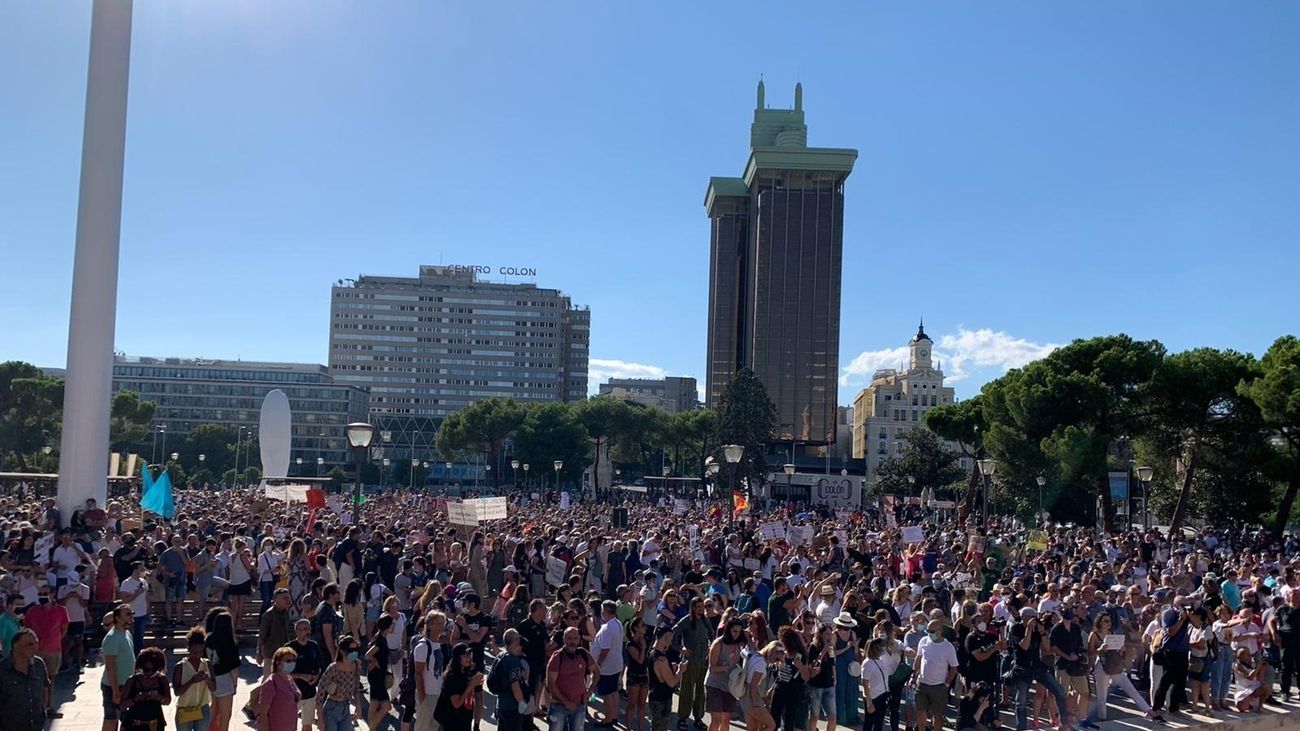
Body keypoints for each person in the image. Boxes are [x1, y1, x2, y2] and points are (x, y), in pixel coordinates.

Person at [0, 629, 52, 731]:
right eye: (30, 644)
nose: (35, 648)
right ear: (16, 646)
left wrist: (43, 711)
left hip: (36, 726)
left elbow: (44, 688)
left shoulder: (39, 664)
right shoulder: (3, 668)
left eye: (36, 643)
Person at [546, 627, 597, 731]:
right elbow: (550, 684)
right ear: (564, 639)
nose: (572, 641)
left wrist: (590, 690)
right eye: (569, 638)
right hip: (559, 706)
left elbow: (596, 672)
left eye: (575, 638)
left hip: (579, 705)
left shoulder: (583, 654)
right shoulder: (557, 658)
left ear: (579, 640)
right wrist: (566, 702)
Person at [911, 619, 958, 731]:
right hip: (922, 684)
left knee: (937, 715)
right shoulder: (923, 641)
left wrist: (947, 683)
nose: (930, 634)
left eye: (932, 631)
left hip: (939, 686)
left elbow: (954, 667)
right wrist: (913, 676)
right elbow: (918, 658)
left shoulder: (948, 647)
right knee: (920, 713)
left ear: (940, 630)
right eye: (928, 631)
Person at [674, 596, 712, 731]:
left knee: (700, 691)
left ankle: (698, 717)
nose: (700, 610)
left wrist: (710, 646)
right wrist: (681, 649)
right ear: (693, 607)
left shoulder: (705, 620)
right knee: (687, 690)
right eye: (698, 607)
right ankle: (683, 717)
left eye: (702, 607)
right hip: (690, 662)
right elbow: (673, 633)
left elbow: (712, 635)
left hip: (702, 661)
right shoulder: (686, 621)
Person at [706, 618, 747, 731]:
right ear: (728, 630)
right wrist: (727, 667)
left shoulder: (739, 644)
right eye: (734, 631)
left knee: (726, 718)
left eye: (739, 632)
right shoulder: (718, 643)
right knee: (717, 718)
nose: (736, 634)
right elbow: (712, 667)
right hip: (715, 684)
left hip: (730, 685)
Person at [24, 585, 69, 686]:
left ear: (52, 595)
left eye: (45, 594)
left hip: (54, 650)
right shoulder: (32, 611)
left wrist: (55, 640)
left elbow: (64, 629)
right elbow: (27, 628)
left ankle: (48, 701)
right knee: (35, 677)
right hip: (36, 650)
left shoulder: (61, 610)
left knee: (51, 679)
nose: (42, 596)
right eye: (40, 594)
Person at [172, 628, 216, 731]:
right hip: (184, 708)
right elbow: (177, 692)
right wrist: (192, 681)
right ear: (188, 649)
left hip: (203, 707)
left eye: (200, 652)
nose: (197, 655)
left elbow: (214, 688)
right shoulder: (180, 666)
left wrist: (207, 679)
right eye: (194, 652)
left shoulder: (207, 664)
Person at [590, 600, 624, 728]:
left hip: (607, 666)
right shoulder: (617, 623)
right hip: (615, 664)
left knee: (607, 694)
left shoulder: (608, 627)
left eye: (603, 610)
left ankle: (608, 719)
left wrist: (598, 663)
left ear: (606, 611)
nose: (601, 612)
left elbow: (605, 649)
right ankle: (614, 716)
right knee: (614, 691)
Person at [206, 610, 243, 731]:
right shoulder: (229, 641)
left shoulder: (208, 639)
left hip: (209, 678)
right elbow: (234, 667)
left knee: (211, 714)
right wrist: (235, 684)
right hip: (224, 679)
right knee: (225, 717)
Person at [102, 605, 137, 731]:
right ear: (118, 618)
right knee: (111, 720)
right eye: (128, 614)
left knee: (127, 720)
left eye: (131, 613)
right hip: (113, 686)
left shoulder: (127, 633)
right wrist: (116, 691)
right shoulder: (112, 638)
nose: (131, 616)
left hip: (127, 684)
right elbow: (110, 667)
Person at [120, 647, 172, 731]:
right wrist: (136, 699)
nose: (149, 673)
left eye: (154, 670)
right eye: (146, 670)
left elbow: (168, 701)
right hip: (134, 724)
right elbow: (122, 706)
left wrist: (159, 697)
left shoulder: (162, 680)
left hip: (155, 724)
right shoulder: (132, 680)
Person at [288, 618, 326, 731]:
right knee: (289, 724)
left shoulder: (313, 646)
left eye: (304, 629)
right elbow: (282, 673)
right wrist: (300, 676)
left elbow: (320, 665)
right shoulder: (290, 648)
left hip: (310, 692)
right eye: (299, 629)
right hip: (293, 693)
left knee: (307, 724)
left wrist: (316, 677)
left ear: (309, 630)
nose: (301, 632)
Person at [318, 636, 364, 731]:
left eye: (356, 649)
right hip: (331, 708)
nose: (354, 652)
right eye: (351, 649)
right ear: (342, 651)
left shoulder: (356, 666)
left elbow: (356, 689)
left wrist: (358, 706)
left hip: (345, 707)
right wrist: (320, 718)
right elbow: (321, 691)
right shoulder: (333, 668)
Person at [436, 643, 484, 731]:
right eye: (465, 655)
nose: (469, 658)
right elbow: (456, 704)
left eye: (470, 654)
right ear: (458, 658)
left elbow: (470, 699)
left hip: (465, 720)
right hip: (453, 722)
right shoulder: (452, 676)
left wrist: (474, 684)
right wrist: (471, 685)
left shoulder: (467, 672)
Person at [413, 611, 447, 731]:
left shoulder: (437, 644)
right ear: (430, 625)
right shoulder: (423, 646)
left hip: (437, 692)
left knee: (433, 727)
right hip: (427, 694)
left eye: (443, 623)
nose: (442, 626)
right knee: (423, 727)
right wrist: (423, 699)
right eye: (438, 624)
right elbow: (418, 674)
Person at [256, 646, 303, 731]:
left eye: (293, 661)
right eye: (288, 661)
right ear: (278, 663)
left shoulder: (290, 679)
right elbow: (263, 713)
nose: (292, 663)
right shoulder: (271, 683)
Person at [497, 628, 533, 731]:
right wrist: (523, 704)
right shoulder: (514, 661)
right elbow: (515, 687)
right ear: (516, 641)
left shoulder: (501, 656)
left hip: (501, 705)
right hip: (512, 708)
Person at [648, 627, 682, 731]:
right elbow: (672, 682)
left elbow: (660, 675)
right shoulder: (661, 659)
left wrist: (671, 668)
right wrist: (680, 670)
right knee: (660, 727)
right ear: (665, 638)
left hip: (655, 696)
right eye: (670, 640)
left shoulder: (652, 653)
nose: (671, 643)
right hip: (662, 699)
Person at [367, 615, 397, 729]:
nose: (393, 626)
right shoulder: (379, 641)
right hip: (377, 676)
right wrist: (375, 661)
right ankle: (372, 727)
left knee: (374, 703)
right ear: (387, 627)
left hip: (377, 675)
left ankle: (372, 728)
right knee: (387, 706)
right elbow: (367, 655)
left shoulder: (380, 637)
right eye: (392, 624)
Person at [806, 624, 836, 731]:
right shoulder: (813, 647)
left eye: (830, 634)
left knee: (832, 717)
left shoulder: (831, 647)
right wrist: (822, 652)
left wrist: (834, 677)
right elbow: (812, 665)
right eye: (826, 634)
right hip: (816, 685)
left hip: (829, 684)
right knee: (814, 715)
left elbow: (832, 663)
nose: (829, 636)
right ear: (820, 634)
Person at [740, 640, 775, 731]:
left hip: (744, 695)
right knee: (771, 725)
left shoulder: (755, 656)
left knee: (752, 728)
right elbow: (753, 685)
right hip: (752, 698)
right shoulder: (761, 664)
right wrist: (756, 705)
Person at [625, 618, 651, 731]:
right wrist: (643, 647)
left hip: (644, 675)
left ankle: (641, 728)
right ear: (635, 628)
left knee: (642, 704)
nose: (645, 627)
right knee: (632, 703)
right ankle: (629, 728)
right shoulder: (630, 644)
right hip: (633, 675)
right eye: (642, 625)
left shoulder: (646, 640)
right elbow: (640, 660)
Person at [860, 638, 891, 731]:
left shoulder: (880, 661)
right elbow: (865, 684)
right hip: (873, 697)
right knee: (869, 722)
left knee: (879, 722)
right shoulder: (867, 663)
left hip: (883, 694)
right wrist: (869, 702)